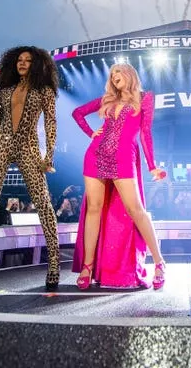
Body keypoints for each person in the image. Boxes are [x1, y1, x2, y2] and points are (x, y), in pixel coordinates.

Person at [0, 46, 61, 291]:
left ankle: (54, 263)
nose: (23, 63)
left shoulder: (44, 91)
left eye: (28, 60)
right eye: (19, 60)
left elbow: (50, 121)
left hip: (28, 147)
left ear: (36, 64)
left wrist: (49, 156)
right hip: (0, 145)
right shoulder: (4, 91)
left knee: (43, 202)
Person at [71, 63, 166, 290]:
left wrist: (152, 166)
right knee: (94, 208)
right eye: (112, 75)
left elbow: (145, 134)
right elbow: (77, 113)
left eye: (118, 73)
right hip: (95, 155)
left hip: (123, 157)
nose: (114, 77)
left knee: (136, 210)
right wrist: (91, 133)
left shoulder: (145, 98)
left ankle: (160, 263)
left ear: (129, 74)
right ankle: (87, 266)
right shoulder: (106, 99)